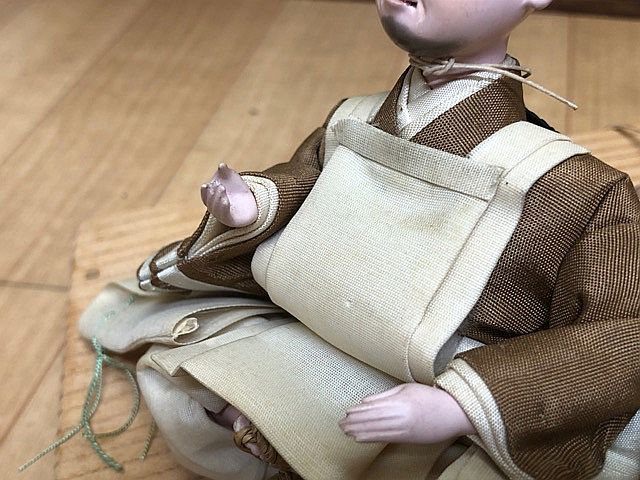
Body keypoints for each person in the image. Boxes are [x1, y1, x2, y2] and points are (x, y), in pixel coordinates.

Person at [81, 0, 640, 478]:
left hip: (432, 374)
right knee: (186, 384)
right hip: (315, 326)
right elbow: (305, 179)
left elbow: (621, 335)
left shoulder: (580, 188)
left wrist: (461, 405)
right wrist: (256, 205)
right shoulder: (357, 117)